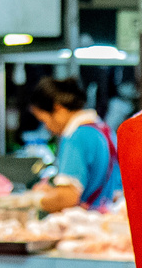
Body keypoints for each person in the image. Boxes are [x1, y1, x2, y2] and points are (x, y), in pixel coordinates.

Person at [27, 77, 120, 212]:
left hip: (84, 225)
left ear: (58, 109)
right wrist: (54, 191)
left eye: (44, 120)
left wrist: (32, 200)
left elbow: (67, 198)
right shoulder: (104, 131)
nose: (47, 128)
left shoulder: (75, 137)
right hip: (107, 220)